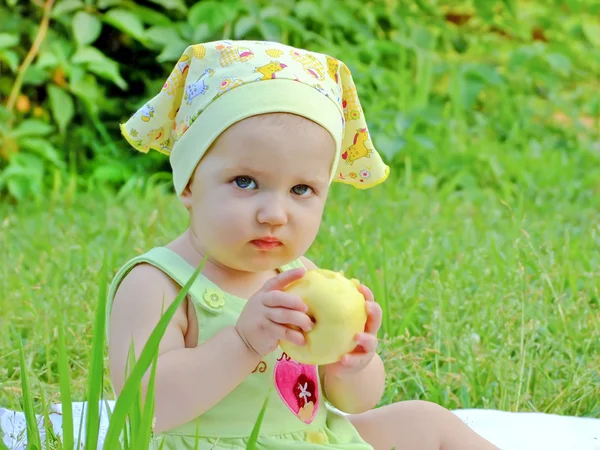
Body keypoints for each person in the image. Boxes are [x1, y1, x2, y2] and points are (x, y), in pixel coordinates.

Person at [106, 39, 499, 450]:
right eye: (246, 182)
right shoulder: (158, 283)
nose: (275, 213)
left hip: (314, 438)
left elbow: (355, 402)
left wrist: (352, 364)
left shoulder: (299, 278)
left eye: (301, 189)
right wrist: (243, 342)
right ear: (188, 183)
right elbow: (146, 406)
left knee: (426, 420)